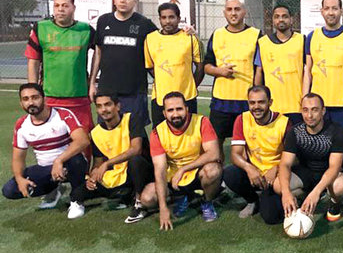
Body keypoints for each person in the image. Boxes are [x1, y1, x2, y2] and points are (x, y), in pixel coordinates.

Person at [140, 92, 222, 229]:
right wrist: (163, 207)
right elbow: (160, 171)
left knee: (213, 170)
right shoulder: (157, 133)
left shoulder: (202, 122)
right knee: (147, 199)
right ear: (164, 113)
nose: (175, 114)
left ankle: (206, 201)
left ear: (186, 109)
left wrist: (184, 169)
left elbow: (214, 154)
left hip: (197, 174)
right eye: (170, 110)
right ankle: (182, 198)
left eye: (179, 109)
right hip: (173, 180)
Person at [3, 84, 89, 214]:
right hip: (46, 170)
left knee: (77, 160)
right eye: (25, 99)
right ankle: (53, 191)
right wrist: (20, 179)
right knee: (9, 190)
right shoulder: (22, 125)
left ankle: (77, 200)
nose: (31, 102)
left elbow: (83, 140)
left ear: (44, 99)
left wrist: (59, 161)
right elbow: (18, 159)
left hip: (68, 165)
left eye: (35, 97)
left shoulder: (62, 115)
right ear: (21, 103)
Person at [266, 93, 343, 225]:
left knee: (339, 186)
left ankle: (334, 202)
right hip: (306, 172)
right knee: (278, 185)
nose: (309, 115)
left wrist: (316, 192)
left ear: (323, 111)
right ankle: (303, 196)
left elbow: (334, 167)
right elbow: (285, 164)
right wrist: (286, 193)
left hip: (329, 172)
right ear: (301, 111)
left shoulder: (337, 131)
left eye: (314, 110)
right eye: (305, 110)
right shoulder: (295, 131)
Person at [25, 0, 95, 142]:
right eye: (56, 6)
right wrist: (33, 92)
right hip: (50, 99)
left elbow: (101, 51)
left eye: (65, 6)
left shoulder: (86, 30)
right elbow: (33, 61)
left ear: (73, 8)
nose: (60, 9)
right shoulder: (41, 28)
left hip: (79, 99)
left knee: (84, 143)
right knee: (53, 144)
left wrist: (92, 81)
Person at [68, 93, 149, 221]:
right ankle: (124, 197)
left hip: (140, 172)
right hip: (118, 174)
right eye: (99, 106)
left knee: (135, 161)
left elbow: (136, 149)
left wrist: (107, 164)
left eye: (107, 104)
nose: (104, 109)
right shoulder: (96, 133)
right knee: (78, 192)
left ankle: (139, 204)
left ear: (118, 106)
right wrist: (93, 177)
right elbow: (98, 163)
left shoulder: (131, 119)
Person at [90, 0, 158, 126]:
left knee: (135, 133)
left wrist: (187, 32)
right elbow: (98, 53)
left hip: (134, 92)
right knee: (108, 132)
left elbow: (164, 40)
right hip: (107, 91)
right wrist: (92, 83)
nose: (122, 0)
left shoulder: (144, 24)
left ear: (135, 1)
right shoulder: (103, 21)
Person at [204, 0, 262, 161]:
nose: (233, 13)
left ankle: (247, 173)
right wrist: (219, 71)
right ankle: (218, 172)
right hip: (221, 101)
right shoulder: (217, 35)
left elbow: (260, 67)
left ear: (244, 12)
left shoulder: (256, 35)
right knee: (216, 146)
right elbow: (207, 65)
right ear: (224, 13)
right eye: (229, 9)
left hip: (247, 101)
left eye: (237, 9)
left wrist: (257, 94)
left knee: (250, 145)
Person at [222, 85, 291, 219]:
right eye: (252, 103)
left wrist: (276, 168)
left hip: (275, 176)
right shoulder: (242, 119)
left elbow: (294, 158)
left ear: (270, 102)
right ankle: (252, 200)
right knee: (230, 173)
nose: (256, 107)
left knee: (271, 217)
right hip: (254, 173)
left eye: (261, 102)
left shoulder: (284, 123)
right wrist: (249, 168)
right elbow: (235, 154)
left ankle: (276, 197)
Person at [304, 0, 343, 142]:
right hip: (318, 105)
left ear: (341, 11)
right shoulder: (312, 36)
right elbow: (308, 72)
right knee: (318, 146)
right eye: (327, 8)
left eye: (335, 8)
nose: (331, 12)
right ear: (322, 11)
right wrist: (305, 100)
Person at [144, 3, 204, 127]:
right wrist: (163, 79)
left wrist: (191, 85)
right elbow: (150, 67)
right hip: (160, 98)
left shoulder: (190, 38)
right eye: (164, 17)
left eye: (171, 17)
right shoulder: (150, 39)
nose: (167, 21)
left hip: (187, 97)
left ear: (178, 18)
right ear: (159, 19)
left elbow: (200, 67)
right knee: (160, 135)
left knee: (190, 133)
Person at [254, 5, 306, 126]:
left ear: (291, 19)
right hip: (273, 107)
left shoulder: (301, 40)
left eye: (284, 16)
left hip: (297, 106)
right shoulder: (263, 43)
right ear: (272, 20)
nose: (281, 19)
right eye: (277, 17)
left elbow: (308, 71)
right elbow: (259, 72)